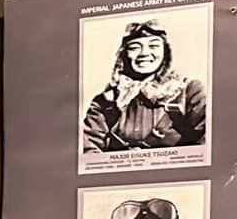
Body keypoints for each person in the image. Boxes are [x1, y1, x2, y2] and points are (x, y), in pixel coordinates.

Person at [83, 18, 208, 153]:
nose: (144, 53)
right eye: (134, 47)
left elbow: (206, 142)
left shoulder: (190, 91)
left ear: (166, 52)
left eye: (154, 46)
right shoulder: (106, 101)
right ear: (124, 54)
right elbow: (88, 149)